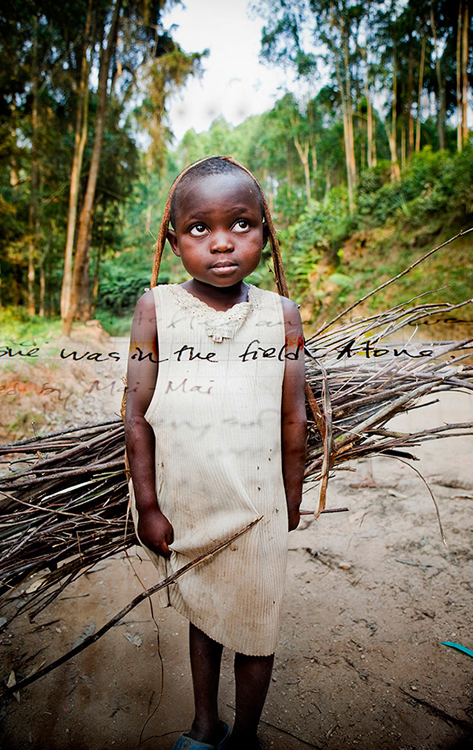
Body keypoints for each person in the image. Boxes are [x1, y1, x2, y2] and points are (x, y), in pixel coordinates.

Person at [125, 156, 307, 750]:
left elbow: (293, 418)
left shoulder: (282, 317)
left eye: (242, 224)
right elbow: (136, 411)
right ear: (174, 239)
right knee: (204, 617)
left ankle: (245, 737)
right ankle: (207, 727)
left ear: (265, 232)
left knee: (256, 628)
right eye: (200, 228)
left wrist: (291, 502)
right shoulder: (157, 309)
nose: (222, 243)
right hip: (190, 505)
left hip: (259, 510)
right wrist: (148, 505)